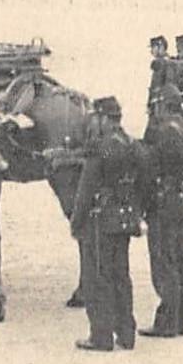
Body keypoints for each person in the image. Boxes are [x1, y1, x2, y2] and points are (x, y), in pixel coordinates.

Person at [68, 98, 146, 351]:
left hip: (100, 220)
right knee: (121, 275)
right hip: (124, 219)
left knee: (98, 277)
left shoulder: (99, 148)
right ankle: (126, 333)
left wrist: (76, 221)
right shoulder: (133, 145)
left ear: (102, 118)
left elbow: (85, 189)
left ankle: (101, 336)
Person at [140, 86, 183, 338]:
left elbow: (147, 166)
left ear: (162, 105)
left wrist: (143, 201)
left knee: (164, 260)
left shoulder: (159, 131)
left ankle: (167, 320)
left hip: (164, 201)